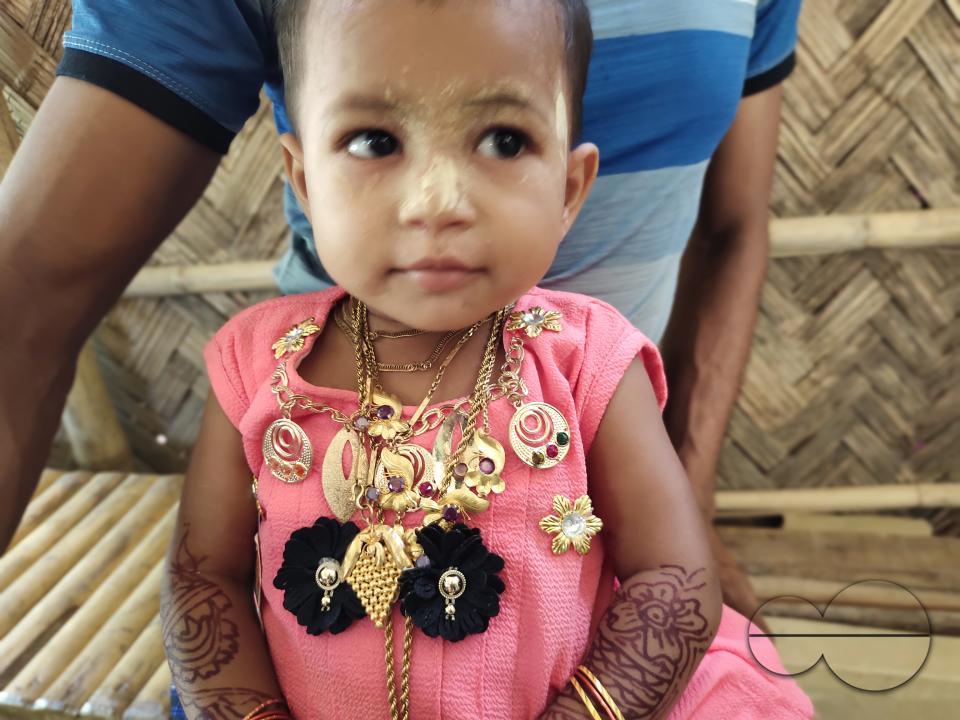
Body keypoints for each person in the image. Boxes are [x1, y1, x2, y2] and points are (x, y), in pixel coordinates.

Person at [0, 0, 801, 624]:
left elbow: (734, 228)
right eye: (376, 143)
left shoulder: (600, 372)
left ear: (570, 188)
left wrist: (679, 511)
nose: (438, 204)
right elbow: (204, 576)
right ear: (303, 179)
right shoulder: (255, 381)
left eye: (502, 140)